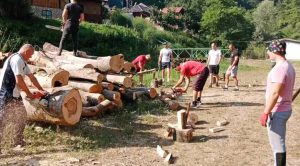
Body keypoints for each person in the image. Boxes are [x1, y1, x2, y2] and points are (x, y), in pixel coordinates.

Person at [0, 44, 46, 149]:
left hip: (14, 93)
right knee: (2, 118)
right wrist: (30, 94)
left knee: (22, 115)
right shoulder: (17, 60)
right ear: (26, 52)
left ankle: (17, 141)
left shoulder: (22, 60)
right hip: (7, 93)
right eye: (31, 54)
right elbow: (19, 81)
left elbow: (32, 77)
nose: (31, 57)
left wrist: (41, 89)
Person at [260, 40, 295, 166]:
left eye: (269, 50)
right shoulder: (288, 66)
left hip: (278, 111)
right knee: (279, 144)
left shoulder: (280, 68)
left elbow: (275, 93)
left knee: (278, 146)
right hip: (283, 109)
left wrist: (265, 112)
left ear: (275, 50)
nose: (268, 52)